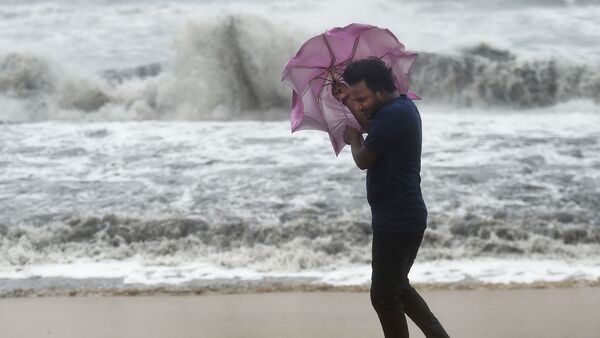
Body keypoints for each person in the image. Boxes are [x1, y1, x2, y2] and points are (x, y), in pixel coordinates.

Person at [334, 58, 450, 338]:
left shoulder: (394, 115)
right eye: (356, 99)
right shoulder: (399, 108)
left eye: (362, 98)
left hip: (397, 219)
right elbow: (376, 131)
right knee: (398, 287)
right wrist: (348, 102)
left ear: (381, 91)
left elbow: (364, 159)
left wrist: (353, 140)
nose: (360, 105)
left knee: (384, 296)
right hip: (403, 215)